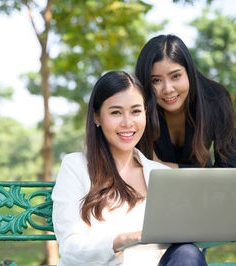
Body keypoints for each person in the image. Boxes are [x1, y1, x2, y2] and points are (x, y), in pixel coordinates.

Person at [52, 71, 207, 266]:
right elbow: (70, 249)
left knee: (188, 253)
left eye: (136, 111)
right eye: (116, 112)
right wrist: (124, 240)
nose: (127, 123)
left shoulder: (161, 175)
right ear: (96, 116)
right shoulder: (76, 167)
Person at [135, 34, 236, 168]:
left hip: (205, 187)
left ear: (189, 72)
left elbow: (230, 170)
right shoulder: (137, 108)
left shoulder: (216, 99)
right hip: (151, 187)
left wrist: (164, 166)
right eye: (156, 80)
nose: (168, 89)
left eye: (175, 76)